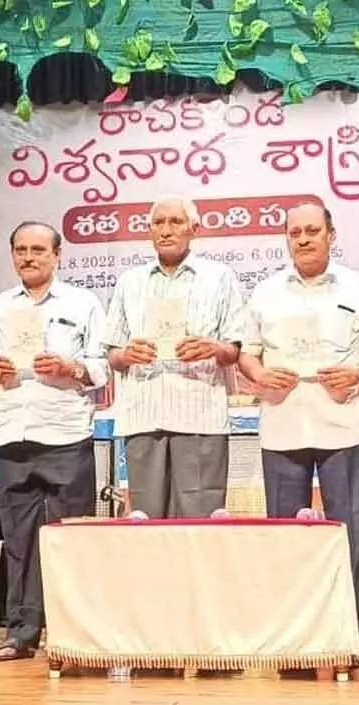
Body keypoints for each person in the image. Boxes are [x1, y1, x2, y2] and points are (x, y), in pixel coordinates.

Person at [237, 200, 359, 658]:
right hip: (283, 424)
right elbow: (247, 353)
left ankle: (351, 633)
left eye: (312, 230)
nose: (303, 239)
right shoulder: (265, 292)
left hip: (344, 423)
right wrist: (259, 374)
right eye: (294, 233)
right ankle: (291, 636)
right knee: (285, 535)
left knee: (348, 534)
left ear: (331, 233)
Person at [0, 221, 107, 661]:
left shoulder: (83, 302)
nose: (29, 257)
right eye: (21, 250)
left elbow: (102, 365)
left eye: (38, 250)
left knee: (71, 539)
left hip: (65, 432)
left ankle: (72, 634)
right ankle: (21, 633)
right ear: (12, 256)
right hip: (13, 435)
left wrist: (70, 366)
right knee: (20, 540)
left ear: (57, 255)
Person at [103, 196, 245, 519]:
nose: (165, 230)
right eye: (158, 223)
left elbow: (235, 349)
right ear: (149, 231)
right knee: (146, 521)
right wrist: (127, 354)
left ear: (195, 229)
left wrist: (212, 347)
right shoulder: (130, 282)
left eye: (175, 222)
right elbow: (112, 354)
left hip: (200, 416)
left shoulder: (219, 277)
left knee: (199, 521)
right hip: (144, 416)